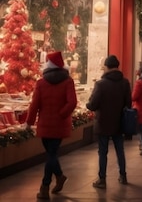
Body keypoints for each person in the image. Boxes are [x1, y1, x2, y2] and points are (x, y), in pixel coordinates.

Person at [26, 51, 77, 200]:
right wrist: (61, 114)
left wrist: (29, 123)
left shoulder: (41, 83)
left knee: (51, 154)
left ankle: (44, 187)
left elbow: (34, 105)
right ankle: (60, 177)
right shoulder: (68, 81)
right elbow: (72, 102)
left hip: (45, 124)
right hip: (60, 124)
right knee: (52, 154)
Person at [86, 54, 132, 188]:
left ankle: (102, 179)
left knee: (103, 152)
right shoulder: (125, 82)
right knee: (120, 150)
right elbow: (129, 104)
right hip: (119, 122)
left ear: (106, 67)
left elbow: (93, 104)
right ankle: (123, 175)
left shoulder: (100, 84)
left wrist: (88, 105)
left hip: (103, 123)